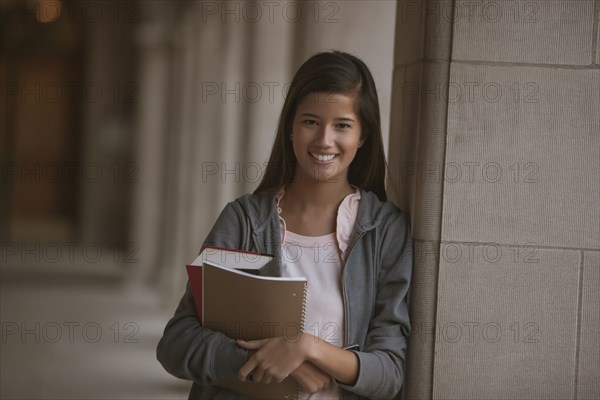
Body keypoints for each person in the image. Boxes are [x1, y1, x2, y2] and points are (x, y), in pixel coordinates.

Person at [157, 50, 412, 400]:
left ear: (362, 136)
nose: (324, 140)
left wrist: (308, 347)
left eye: (342, 125)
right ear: (290, 128)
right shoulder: (246, 222)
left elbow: (390, 373)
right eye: (310, 121)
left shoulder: (385, 232)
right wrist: (275, 363)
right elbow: (177, 342)